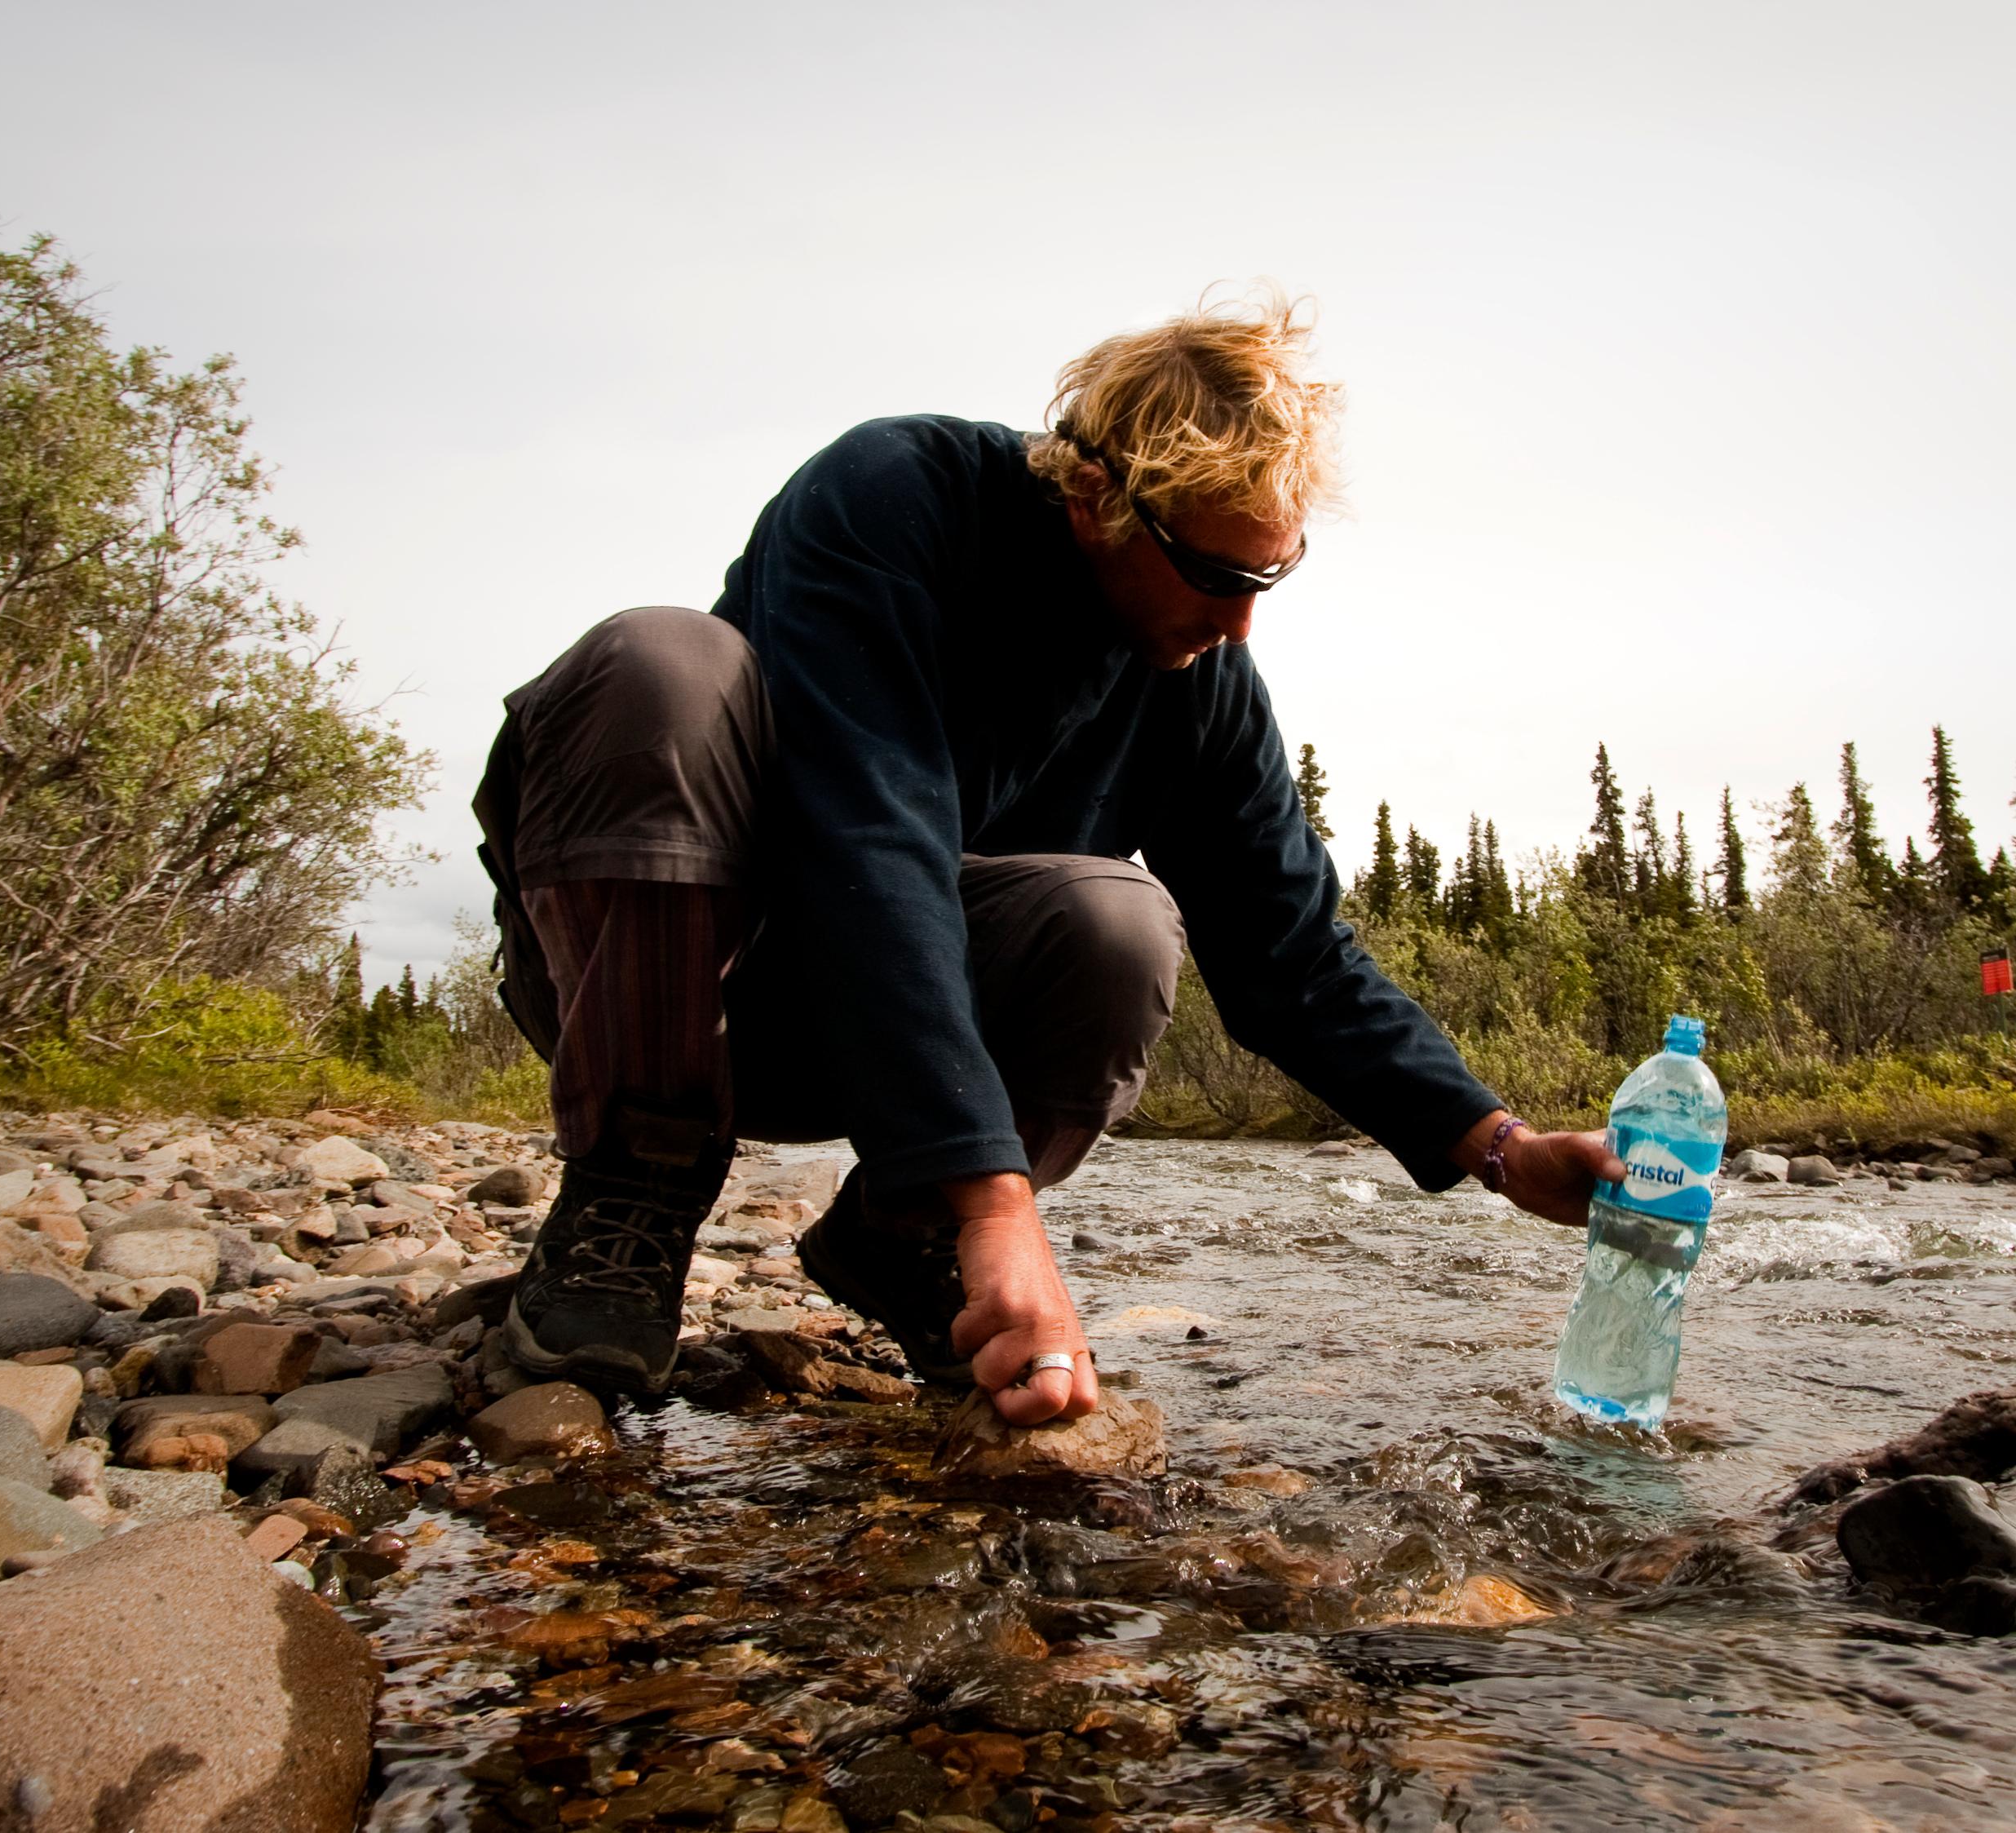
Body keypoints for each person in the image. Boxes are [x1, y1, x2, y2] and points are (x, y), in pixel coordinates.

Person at [471, 290, 1620, 1423]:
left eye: (1272, 576)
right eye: (1219, 578)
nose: (1241, 626)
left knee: (1120, 923)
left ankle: (896, 1238)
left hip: (869, 1056)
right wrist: (1000, 1207)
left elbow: (1295, 954)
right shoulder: (894, 501)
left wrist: (1502, 1149)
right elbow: (870, 839)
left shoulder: (1200, 678)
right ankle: (637, 1190)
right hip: (672, 982)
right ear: (1092, 498)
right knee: (661, 666)